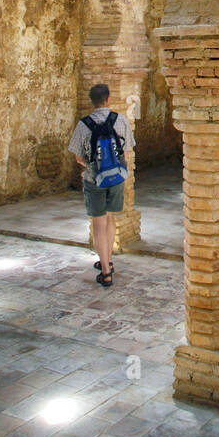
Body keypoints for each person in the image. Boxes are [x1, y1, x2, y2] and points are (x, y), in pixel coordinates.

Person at [68, 83, 134, 288]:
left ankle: (105, 271)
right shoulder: (120, 120)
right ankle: (109, 259)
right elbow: (127, 150)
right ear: (108, 99)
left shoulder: (83, 125)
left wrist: (92, 165)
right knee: (110, 217)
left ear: (92, 101)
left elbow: (78, 157)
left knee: (98, 223)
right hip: (116, 179)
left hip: (93, 179)